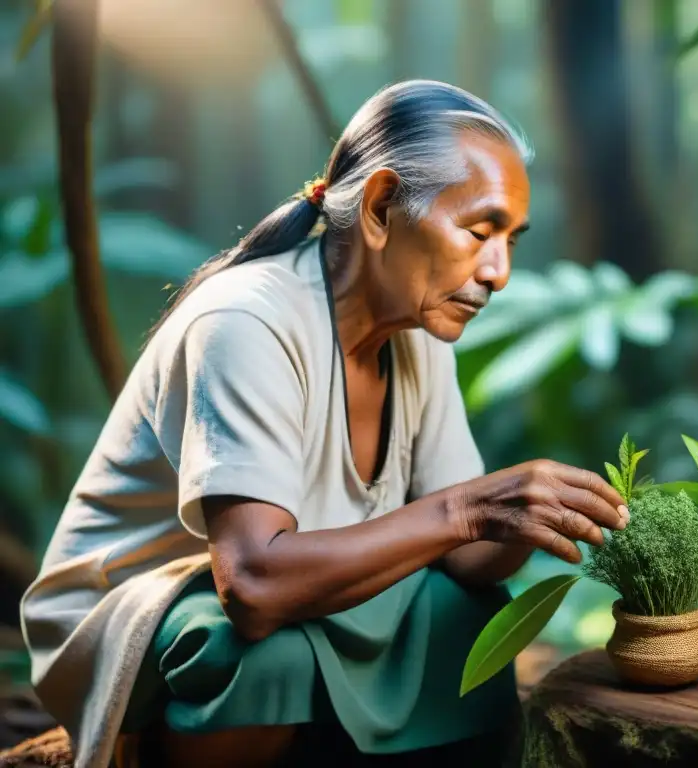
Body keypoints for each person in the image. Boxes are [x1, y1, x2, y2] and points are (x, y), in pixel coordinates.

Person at [20, 80, 630, 768]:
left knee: (468, 614)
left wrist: (533, 515)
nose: (499, 272)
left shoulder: (419, 332)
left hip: (289, 582)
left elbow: (464, 557)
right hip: (137, 614)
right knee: (264, 655)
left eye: (512, 240)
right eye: (479, 231)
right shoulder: (247, 320)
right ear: (378, 208)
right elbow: (251, 585)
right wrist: (470, 509)